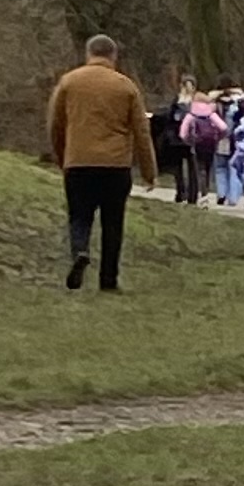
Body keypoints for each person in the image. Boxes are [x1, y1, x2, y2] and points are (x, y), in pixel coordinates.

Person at [46, 34, 157, 293]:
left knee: (79, 216)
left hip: (79, 162)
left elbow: (56, 125)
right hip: (115, 165)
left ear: (88, 54)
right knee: (113, 222)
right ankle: (108, 280)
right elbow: (141, 132)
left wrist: (62, 157)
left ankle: (80, 250)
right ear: (113, 56)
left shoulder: (69, 82)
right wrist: (148, 170)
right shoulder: (126, 86)